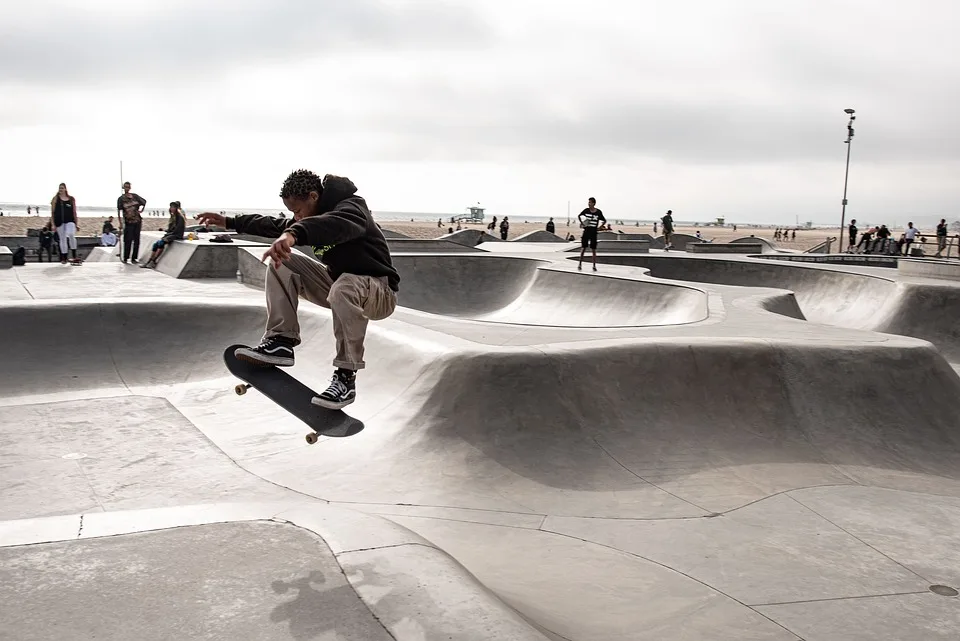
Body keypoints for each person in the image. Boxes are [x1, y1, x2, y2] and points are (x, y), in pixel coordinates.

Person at [196, 170, 399, 410]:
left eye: (298, 210)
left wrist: (294, 233)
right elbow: (276, 225)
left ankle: (346, 377)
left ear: (314, 196)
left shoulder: (352, 208)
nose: (296, 216)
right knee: (283, 262)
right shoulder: (309, 215)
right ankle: (281, 340)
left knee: (345, 286)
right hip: (339, 286)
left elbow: (336, 224)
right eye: (293, 213)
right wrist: (231, 222)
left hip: (379, 292)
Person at [141, 201, 186, 268]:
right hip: (172, 234)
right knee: (155, 244)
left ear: (176, 208)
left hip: (177, 235)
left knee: (161, 243)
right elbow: (171, 229)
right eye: (171, 207)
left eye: (173, 207)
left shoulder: (180, 217)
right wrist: (166, 231)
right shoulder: (174, 216)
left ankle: (154, 260)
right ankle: (149, 261)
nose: (171, 209)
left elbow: (177, 230)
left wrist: (168, 235)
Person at [117, 181, 147, 263]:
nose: (127, 188)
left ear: (130, 188)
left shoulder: (135, 196)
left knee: (136, 240)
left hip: (137, 221)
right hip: (128, 222)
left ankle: (134, 258)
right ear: (123, 188)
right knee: (128, 240)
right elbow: (119, 211)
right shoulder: (121, 199)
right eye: (125, 187)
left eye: (128, 187)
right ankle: (126, 257)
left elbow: (144, 202)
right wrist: (120, 223)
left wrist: (141, 211)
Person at [50, 182, 79, 263]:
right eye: (60, 188)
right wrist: (53, 224)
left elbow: (74, 211)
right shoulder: (55, 199)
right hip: (59, 221)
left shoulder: (71, 199)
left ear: (65, 189)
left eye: (62, 188)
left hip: (70, 221)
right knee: (62, 239)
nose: (61, 189)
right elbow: (52, 212)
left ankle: (74, 255)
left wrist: (76, 223)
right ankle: (64, 257)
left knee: (71, 234)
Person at [577, 197, 606, 271]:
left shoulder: (598, 212)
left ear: (594, 203)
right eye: (588, 202)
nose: (589, 204)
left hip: (593, 232)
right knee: (583, 248)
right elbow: (579, 216)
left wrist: (600, 227)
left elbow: (604, 220)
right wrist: (582, 223)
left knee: (593, 249)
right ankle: (580, 264)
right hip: (586, 231)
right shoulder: (586, 210)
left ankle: (594, 266)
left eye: (590, 202)